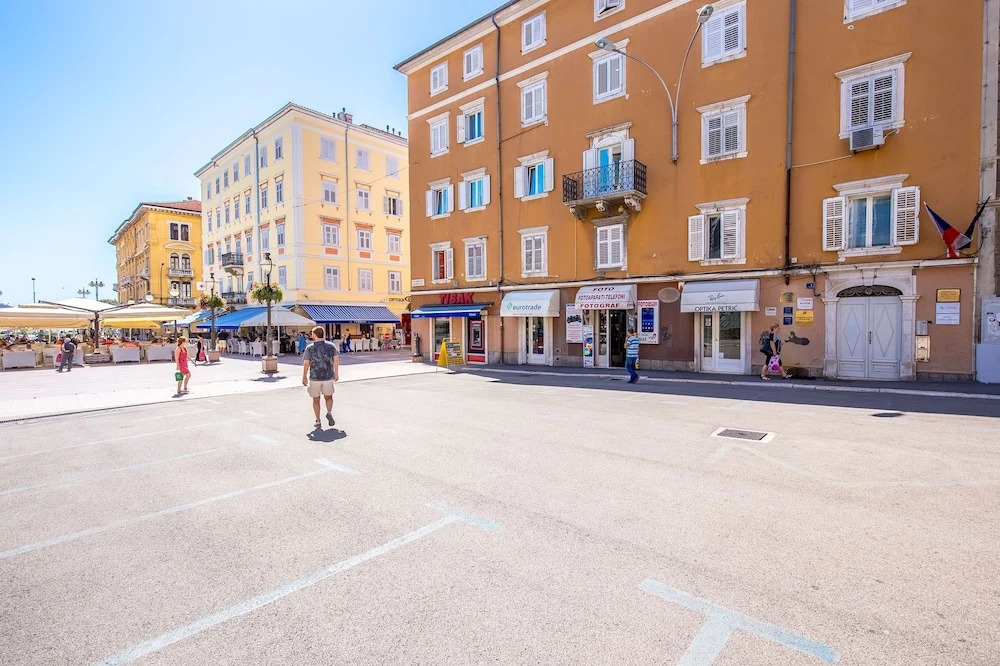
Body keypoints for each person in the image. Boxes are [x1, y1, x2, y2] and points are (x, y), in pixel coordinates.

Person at [302, 325, 340, 429]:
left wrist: (304, 376)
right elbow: (336, 360)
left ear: (314, 335)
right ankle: (329, 412)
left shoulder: (309, 348)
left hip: (315, 377)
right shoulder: (331, 346)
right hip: (328, 376)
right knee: (329, 397)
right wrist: (336, 373)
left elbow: (306, 363)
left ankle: (318, 420)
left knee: (316, 399)